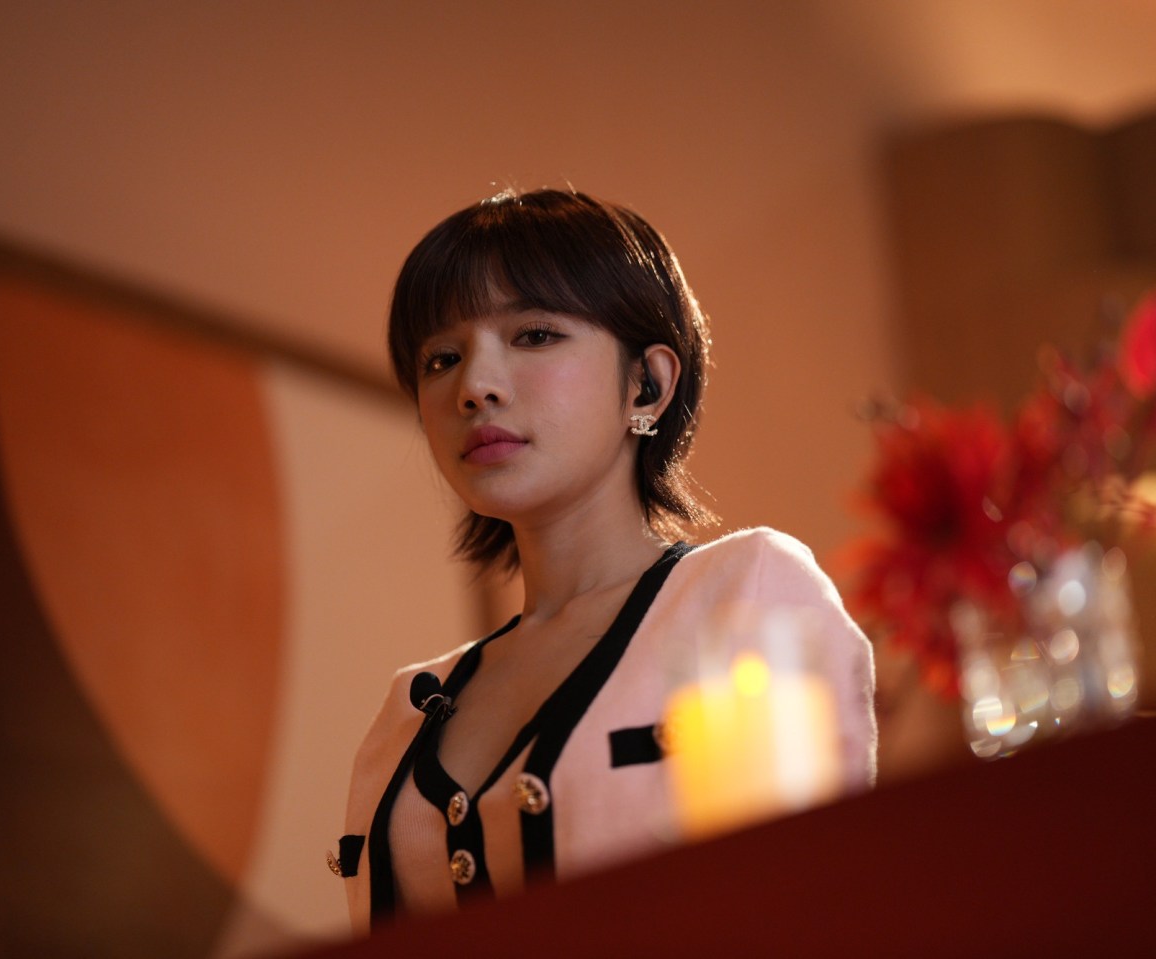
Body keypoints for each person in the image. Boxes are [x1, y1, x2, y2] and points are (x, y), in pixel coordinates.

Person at [334, 189, 875, 930]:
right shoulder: (405, 711)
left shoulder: (743, 593)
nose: (474, 387)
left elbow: (826, 900)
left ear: (647, 383)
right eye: (441, 358)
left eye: (534, 335)